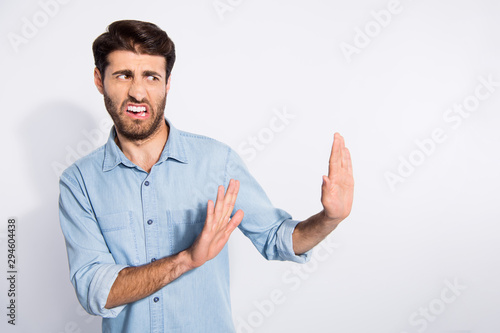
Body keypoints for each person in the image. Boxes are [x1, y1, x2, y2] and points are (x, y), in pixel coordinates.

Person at [58, 20, 354, 333]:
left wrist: (329, 219)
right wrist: (187, 259)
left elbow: (276, 238)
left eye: (151, 76)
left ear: (167, 83)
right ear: (99, 80)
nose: (138, 92)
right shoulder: (79, 183)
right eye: (123, 75)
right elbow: (94, 290)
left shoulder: (216, 162)